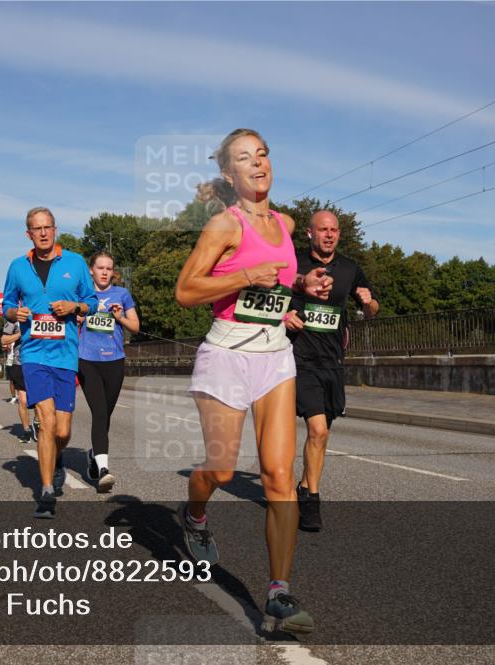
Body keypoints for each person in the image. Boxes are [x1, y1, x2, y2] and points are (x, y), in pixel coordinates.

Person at [174, 129, 330, 635]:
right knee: (221, 470)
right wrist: (244, 277)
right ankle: (195, 514)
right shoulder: (224, 224)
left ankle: (278, 594)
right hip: (225, 356)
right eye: (245, 158)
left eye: (262, 154)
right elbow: (186, 290)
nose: (258, 163)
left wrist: (302, 283)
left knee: (279, 477)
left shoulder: (285, 223)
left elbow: (277, 282)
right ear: (229, 173)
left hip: (275, 357)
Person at [2, 206, 98, 519]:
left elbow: (92, 302)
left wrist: (74, 306)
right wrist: (14, 313)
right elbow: (6, 303)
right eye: (37, 228)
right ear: (28, 234)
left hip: (65, 355)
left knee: (62, 431)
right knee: (45, 420)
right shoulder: (18, 267)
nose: (43, 233)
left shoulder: (75, 263)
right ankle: (45, 493)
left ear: (55, 229)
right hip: (33, 354)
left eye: (48, 227)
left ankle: (57, 458)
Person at [285, 210, 378, 532]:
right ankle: (312, 499)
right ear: (310, 233)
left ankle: (303, 485)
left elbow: (373, 308)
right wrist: (285, 316)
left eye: (334, 230)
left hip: (333, 362)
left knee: (322, 433)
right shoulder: (294, 263)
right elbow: (271, 295)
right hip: (299, 358)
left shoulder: (350, 268)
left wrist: (368, 303)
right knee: (318, 429)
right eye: (322, 229)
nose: (329, 235)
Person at [77, 251, 139, 492]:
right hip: (87, 360)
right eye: (100, 268)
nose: (104, 272)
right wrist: (78, 319)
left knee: (106, 416)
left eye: (109, 268)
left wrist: (120, 317)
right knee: (100, 413)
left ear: (113, 272)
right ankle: (104, 469)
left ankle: (94, 454)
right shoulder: (82, 295)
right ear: (91, 270)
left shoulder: (122, 294)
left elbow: (135, 326)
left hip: (114, 361)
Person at [2, 320, 35, 443]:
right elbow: (4, 340)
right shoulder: (13, 320)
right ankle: (26, 431)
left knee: (40, 400)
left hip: (38, 363)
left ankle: (37, 422)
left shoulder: (43, 314)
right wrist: (21, 333)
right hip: (19, 363)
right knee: (23, 400)